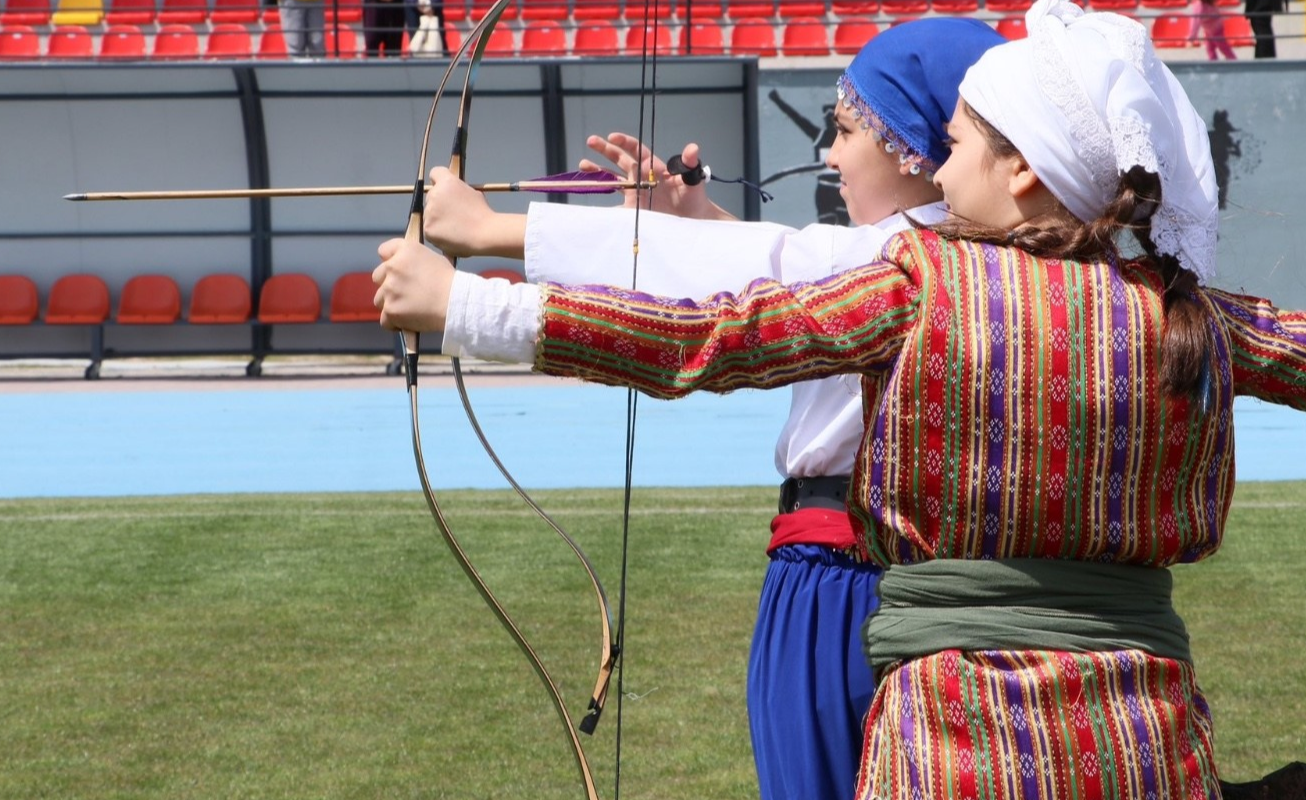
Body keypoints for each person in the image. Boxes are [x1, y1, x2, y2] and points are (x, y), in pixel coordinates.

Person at [373, 1, 1306, 798]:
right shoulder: (1179, 310)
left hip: (951, 741)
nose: (938, 164)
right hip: (1139, 742)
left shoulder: (921, 278)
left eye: (959, 144)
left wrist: (474, 310)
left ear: (1019, 174)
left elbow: (706, 339)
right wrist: (1205, 309)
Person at [420, 19, 1008, 800]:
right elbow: (789, 277)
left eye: (843, 131)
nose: (830, 155)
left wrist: (485, 234)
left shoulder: (898, 261)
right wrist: (684, 220)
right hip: (952, 584)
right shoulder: (994, 256)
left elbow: (768, 280)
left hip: (843, 579)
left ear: (910, 148)